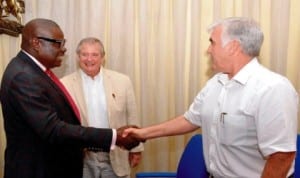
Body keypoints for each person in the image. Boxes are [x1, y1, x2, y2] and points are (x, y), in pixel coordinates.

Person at [123, 17, 298, 178]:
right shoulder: (216, 82)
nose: (208, 50)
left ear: (233, 47)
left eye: (212, 43)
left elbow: (282, 156)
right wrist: (142, 133)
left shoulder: (273, 88)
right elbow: (190, 119)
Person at [0, 18, 142, 178]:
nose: (63, 49)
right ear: (36, 43)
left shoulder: (34, 72)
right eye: (58, 43)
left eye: (64, 43)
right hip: (36, 170)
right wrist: (114, 136)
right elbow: (53, 129)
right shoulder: (24, 76)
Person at [61, 37, 144, 178]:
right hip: (82, 157)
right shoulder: (64, 84)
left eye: (94, 55)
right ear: (77, 57)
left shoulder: (122, 81)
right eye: (84, 54)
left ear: (103, 57)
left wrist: (136, 148)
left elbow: (132, 117)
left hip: (115, 154)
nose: (89, 59)